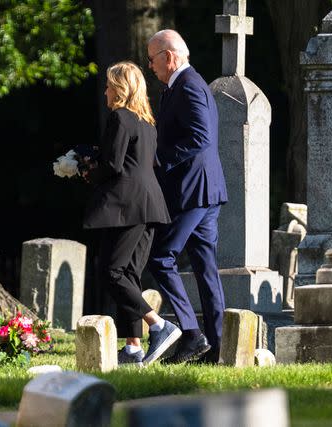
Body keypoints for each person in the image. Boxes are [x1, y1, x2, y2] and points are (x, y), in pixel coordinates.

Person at [83, 61, 181, 366]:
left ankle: (159, 325)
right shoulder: (146, 122)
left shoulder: (120, 117)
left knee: (111, 272)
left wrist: (87, 172)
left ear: (121, 88)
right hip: (150, 204)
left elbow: (113, 165)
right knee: (128, 274)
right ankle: (134, 347)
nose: (106, 91)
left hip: (128, 205)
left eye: (110, 85)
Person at [146, 30, 228, 364]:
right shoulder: (175, 88)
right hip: (202, 191)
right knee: (205, 270)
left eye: (152, 59)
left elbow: (200, 136)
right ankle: (218, 348)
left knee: (161, 257)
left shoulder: (190, 85)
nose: (149, 66)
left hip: (194, 191)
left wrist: (159, 161)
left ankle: (192, 334)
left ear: (169, 56)